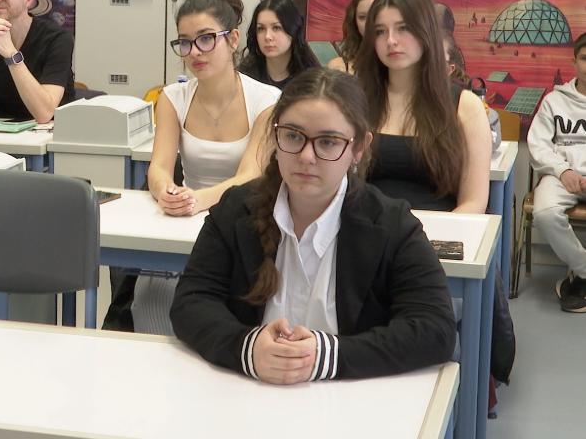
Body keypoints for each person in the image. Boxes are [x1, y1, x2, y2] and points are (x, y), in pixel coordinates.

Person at [170, 68, 456, 383]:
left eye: (328, 142)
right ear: (275, 136)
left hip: (348, 399)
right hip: (248, 392)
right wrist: (246, 348)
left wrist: (326, 356)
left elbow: (435, 329)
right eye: (293, 136)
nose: (307, 156)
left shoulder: (391, 224)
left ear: (358, 148)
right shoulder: (236, 209)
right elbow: (190, 302)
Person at [126, 0, 280, 336]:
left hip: (245, 222)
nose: (195, 51)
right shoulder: (172, 97)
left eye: (207, 39)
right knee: (151, 301)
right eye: (185, 42)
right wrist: (167, 191)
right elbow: (159, 166)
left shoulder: (266, 99)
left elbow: (251, 176)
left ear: (234, 39)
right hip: (184, 218)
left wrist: (196, 199)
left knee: (222, 313)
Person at [356, 0, 491, 212]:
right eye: (380, 31)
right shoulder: (356, 99)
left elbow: (473, 202)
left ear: (426, 31)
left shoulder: (465, 106)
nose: (391, 40)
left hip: (439, 228)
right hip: (364, 225)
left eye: (403, 28)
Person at [528, 32, 586, 312]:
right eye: (585, 58)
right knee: (545, 213)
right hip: (562, 176)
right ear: (574, 61)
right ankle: (584, 271)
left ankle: (580, 279)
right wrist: (563, 171)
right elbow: (538, 145)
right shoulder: (554, 101)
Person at [238, 0, 318, 89]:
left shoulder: (312, 81)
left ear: (293, 29)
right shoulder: (245, 77)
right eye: (261, 28)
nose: (267, 36)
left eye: (276, 28)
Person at [327, 0, 381, 74]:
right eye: (362, 17)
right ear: (354, 22)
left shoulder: (400, 65)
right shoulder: (339, 68)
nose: (369, 23)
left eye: (375, 15)